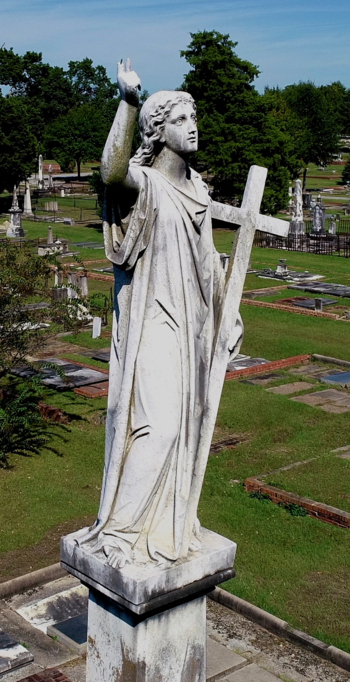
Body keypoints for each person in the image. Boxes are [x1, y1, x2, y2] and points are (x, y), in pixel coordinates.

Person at [74, 60, 240, 569]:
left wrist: (227, 315)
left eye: (194, 118)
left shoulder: (198, 191)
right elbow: (111, 172)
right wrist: (127, 101)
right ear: (158, 130)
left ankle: (166, 523)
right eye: (181, 119)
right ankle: (121, 532)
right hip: (153, 321)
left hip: (192, 324)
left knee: (186, 424)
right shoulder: (144, 184)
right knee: (160, 427)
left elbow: (208, 262)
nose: (193, 126)